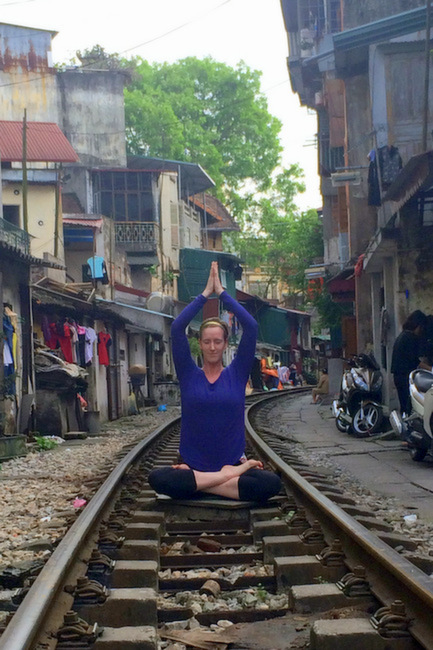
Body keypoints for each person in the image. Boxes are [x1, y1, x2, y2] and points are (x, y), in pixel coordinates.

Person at [148, 262, 281, 502]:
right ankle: (224, 480)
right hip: (198, 466)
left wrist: (222, 294)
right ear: (200, 343)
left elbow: (251, 326)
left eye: (217, 341)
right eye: (207, 341)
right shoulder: (189, 374)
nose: (212, 347)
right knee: (158, 478)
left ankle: (200, 486)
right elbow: (177, 328)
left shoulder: (237, 373)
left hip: (223, 464)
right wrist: (204, 295)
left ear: (225, 344)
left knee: (270, 483)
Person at [391, 310, 427, 415]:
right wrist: (431, 369)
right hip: (405, 376)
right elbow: (416, 361)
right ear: (418, 325)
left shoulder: (402, 336)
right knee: (410, 405)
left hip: (398, 376)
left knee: (404, 404)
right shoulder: (410, 338)